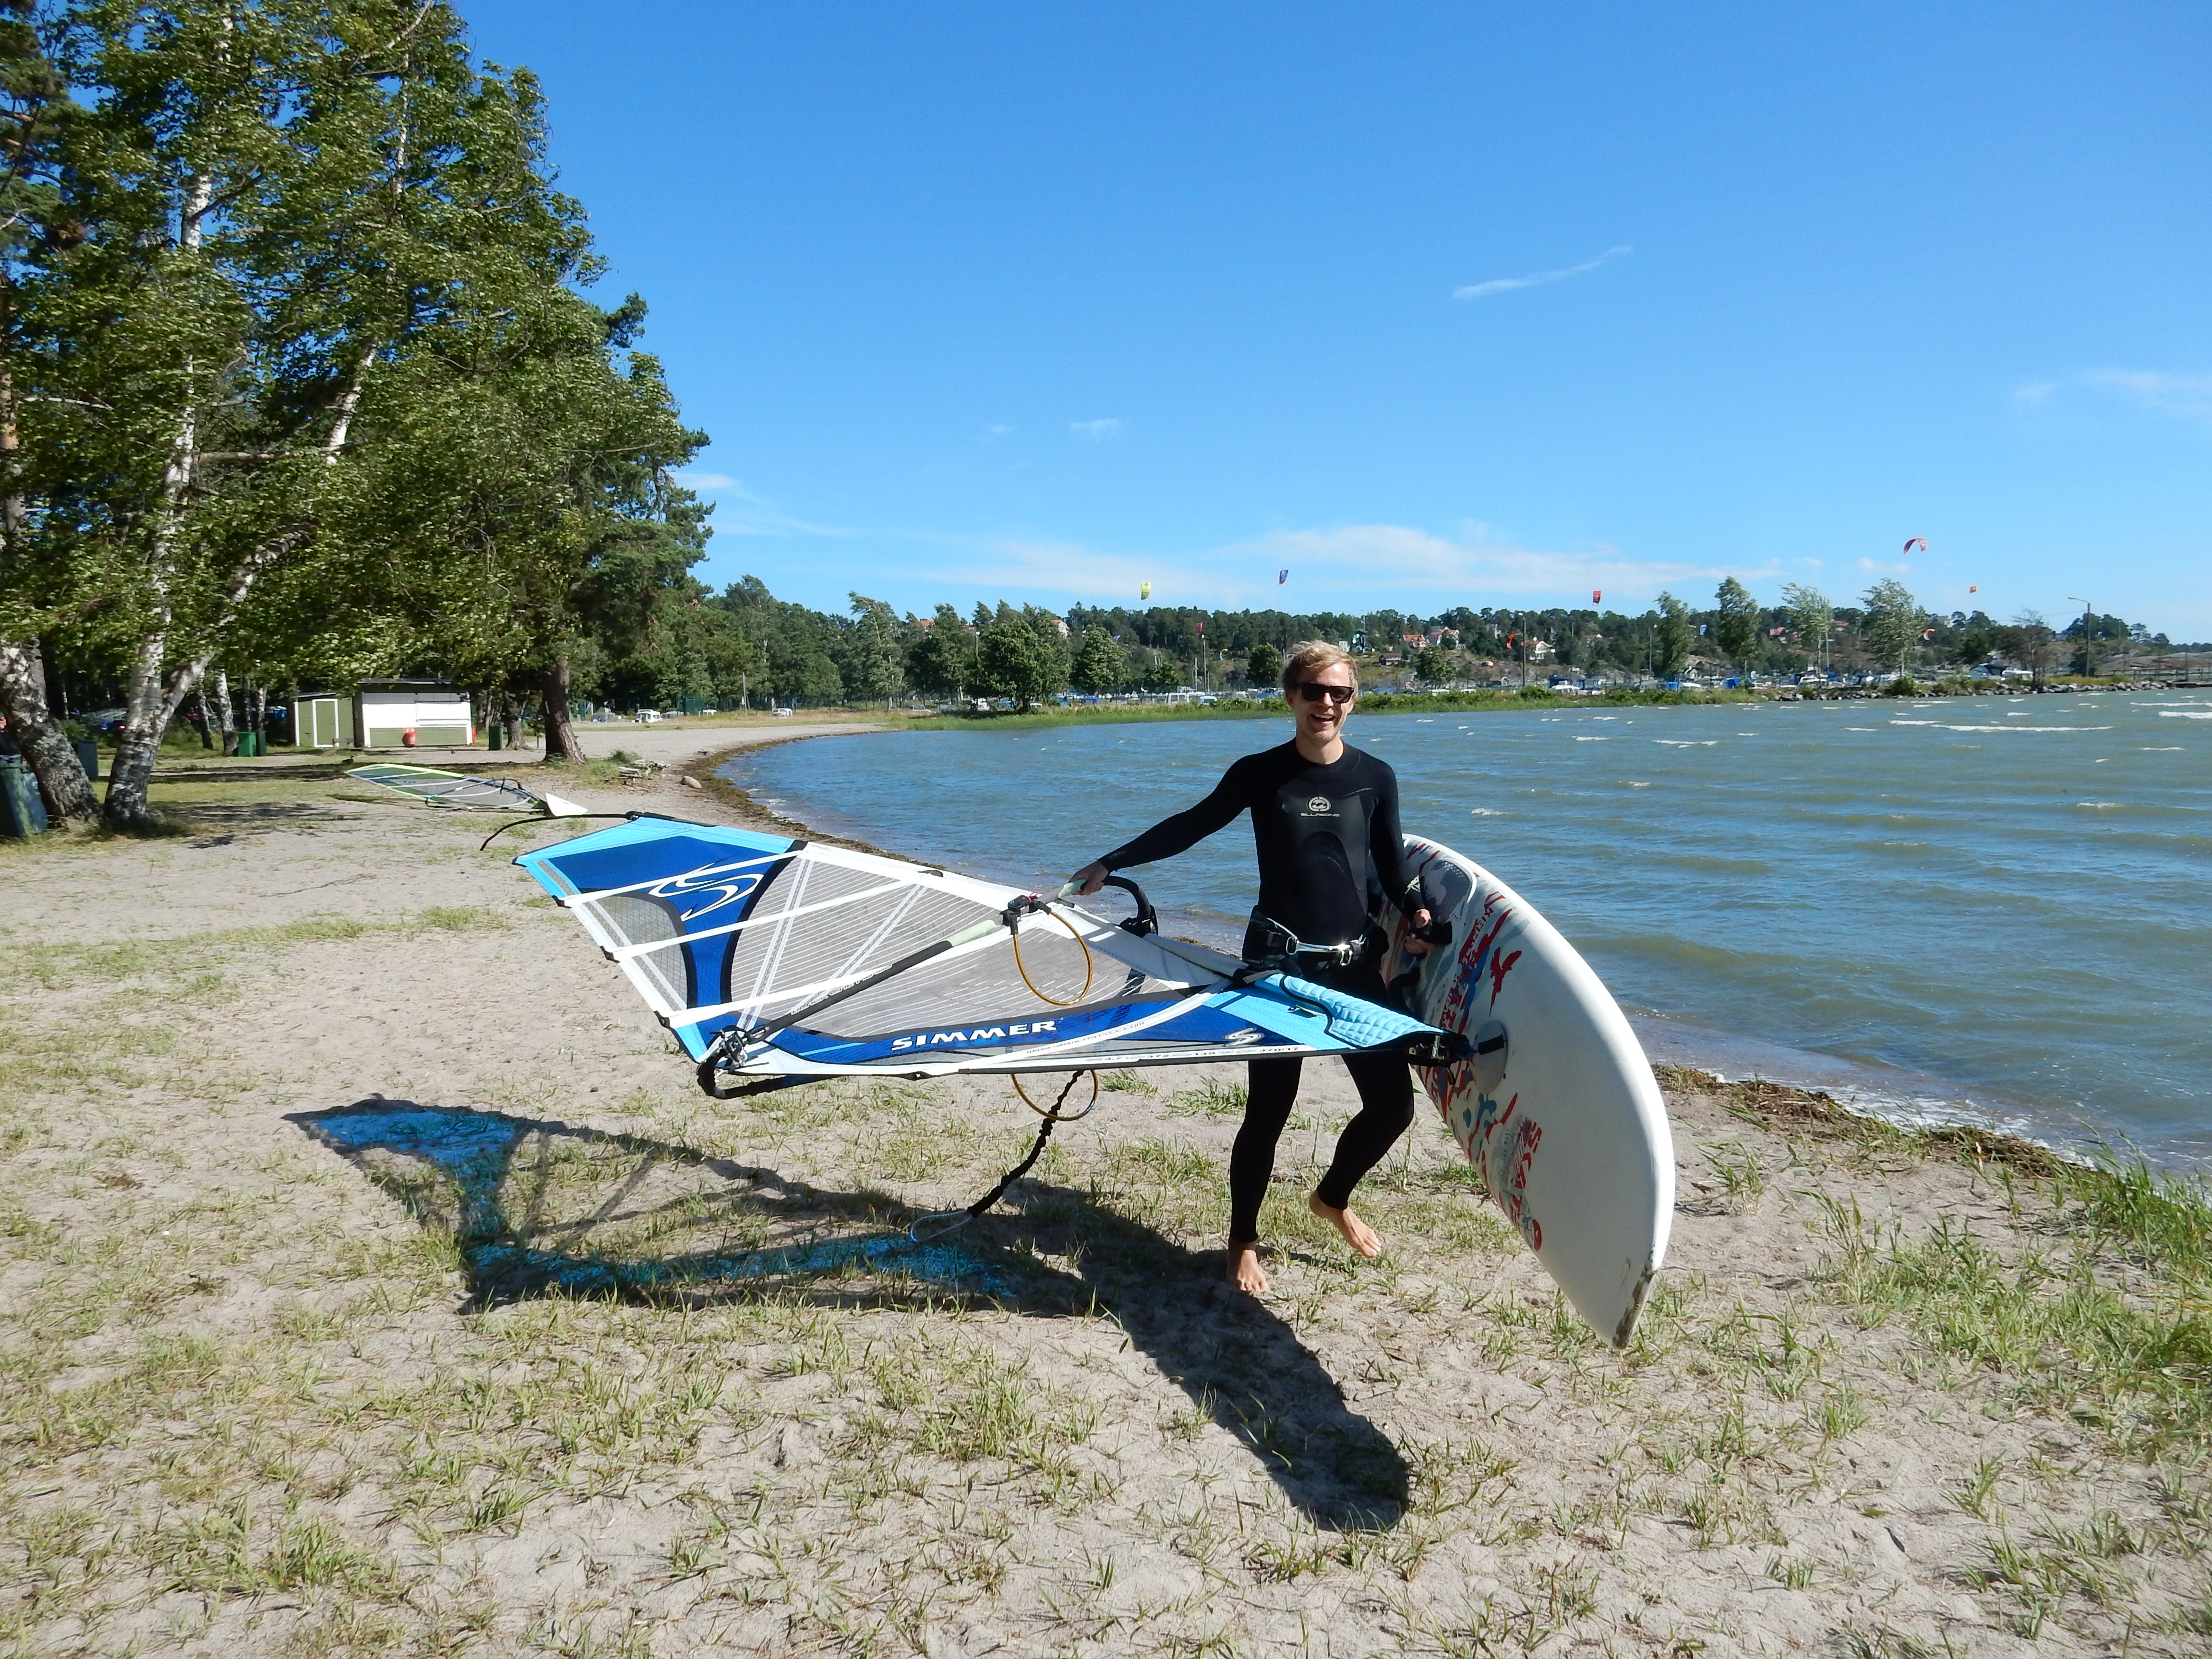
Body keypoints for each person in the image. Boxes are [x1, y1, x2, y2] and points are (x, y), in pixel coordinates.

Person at [1069, 640, 1435, 1293]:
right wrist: (1111, 862)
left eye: (1340, 693)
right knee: (1269, 1112)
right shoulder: (1261, 772)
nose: (1327, 703)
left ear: (1354, 701)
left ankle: (1331, 1198)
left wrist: (1419, 910)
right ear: (1291, 696)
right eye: (1314, 691)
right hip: (1275, 962)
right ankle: (1242, 1241)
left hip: (1353, 963)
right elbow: (1193, 825)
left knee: (1392, 1108)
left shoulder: (1375, 776)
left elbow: (1392, 863)